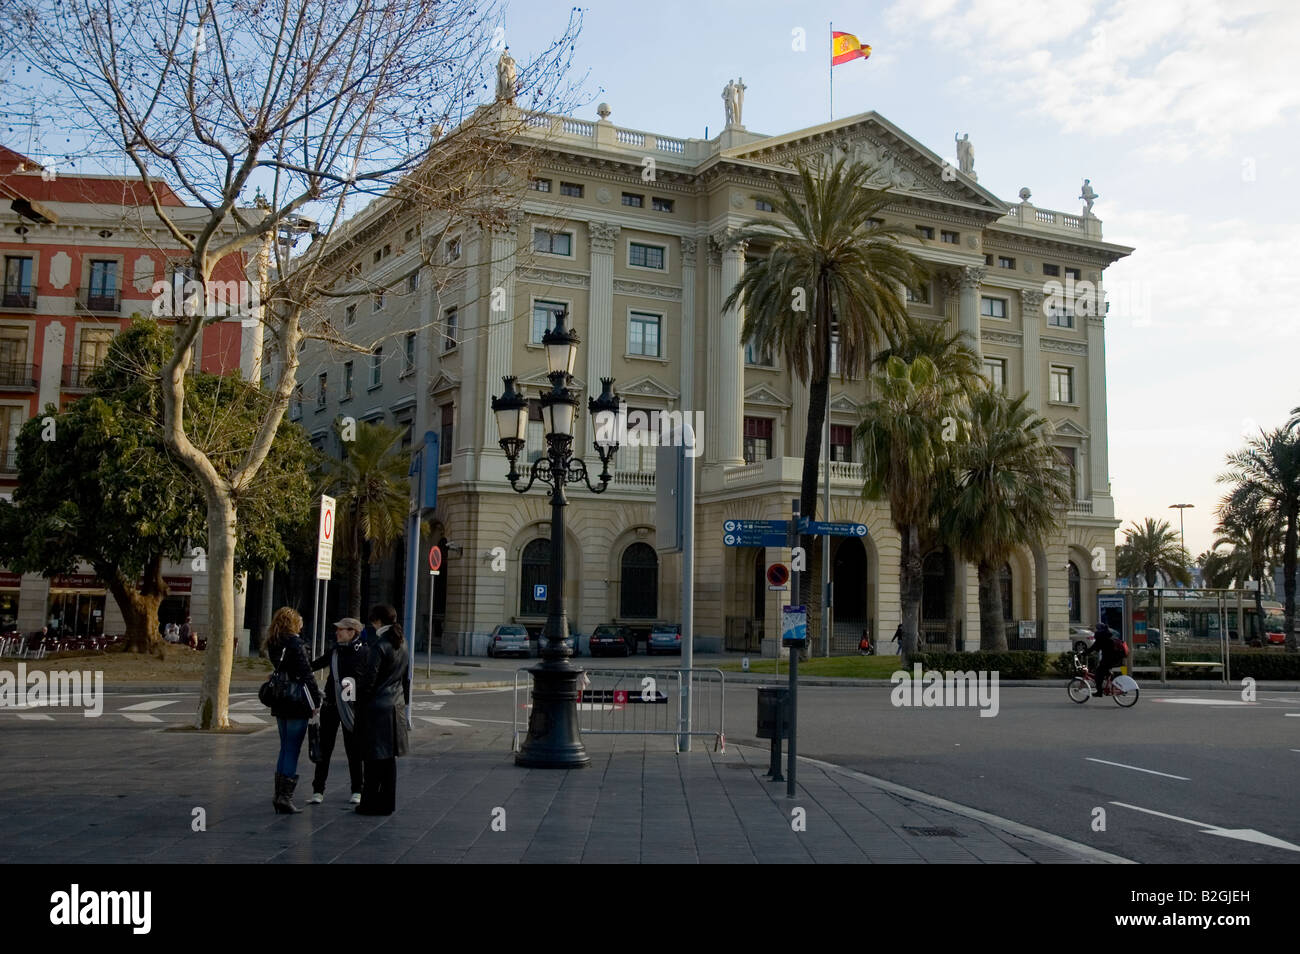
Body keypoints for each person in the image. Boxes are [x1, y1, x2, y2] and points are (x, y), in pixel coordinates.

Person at [354, 604, 410, 816]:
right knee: (388, 762)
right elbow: (405, 678)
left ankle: (368, 803)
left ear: (377, 621)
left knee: (372, 759)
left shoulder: (380, 645)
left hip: (376, 709)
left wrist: (359, 702)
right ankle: (387, 803)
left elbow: (369, 680)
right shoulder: (402, 643)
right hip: (395, 707)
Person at [265, 607, 322, 813]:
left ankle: (278, 793)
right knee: (293, 748)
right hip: (297, 699)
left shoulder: (274, 642)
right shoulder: (296, 644)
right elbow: (306, 674)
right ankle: (285, 797)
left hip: (280, 698)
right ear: (293, 623)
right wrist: (315, 701)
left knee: (284, 746)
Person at [307, 618, 369, 806]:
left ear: (353, 632)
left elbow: (369, 680)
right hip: (331, 706)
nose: (337, 632)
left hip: (352, 708)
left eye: (341, 630)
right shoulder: (334, 652)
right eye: (337, 629)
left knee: (354, 750)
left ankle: (357, 789)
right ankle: (318, 790)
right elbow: (314, 665)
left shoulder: (364, 652)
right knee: (325, 748)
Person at [1090, 621, 1121, 697]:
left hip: (1108, 660)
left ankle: (1099, 692)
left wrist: (1084, 653)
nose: (1095, 631)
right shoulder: (1108, 635)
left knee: (1098, 675)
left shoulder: (1101, 637)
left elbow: (1094, 647)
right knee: (1105, 671)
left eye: (1096, 629)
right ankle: (1109, 684)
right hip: (1115, 659)